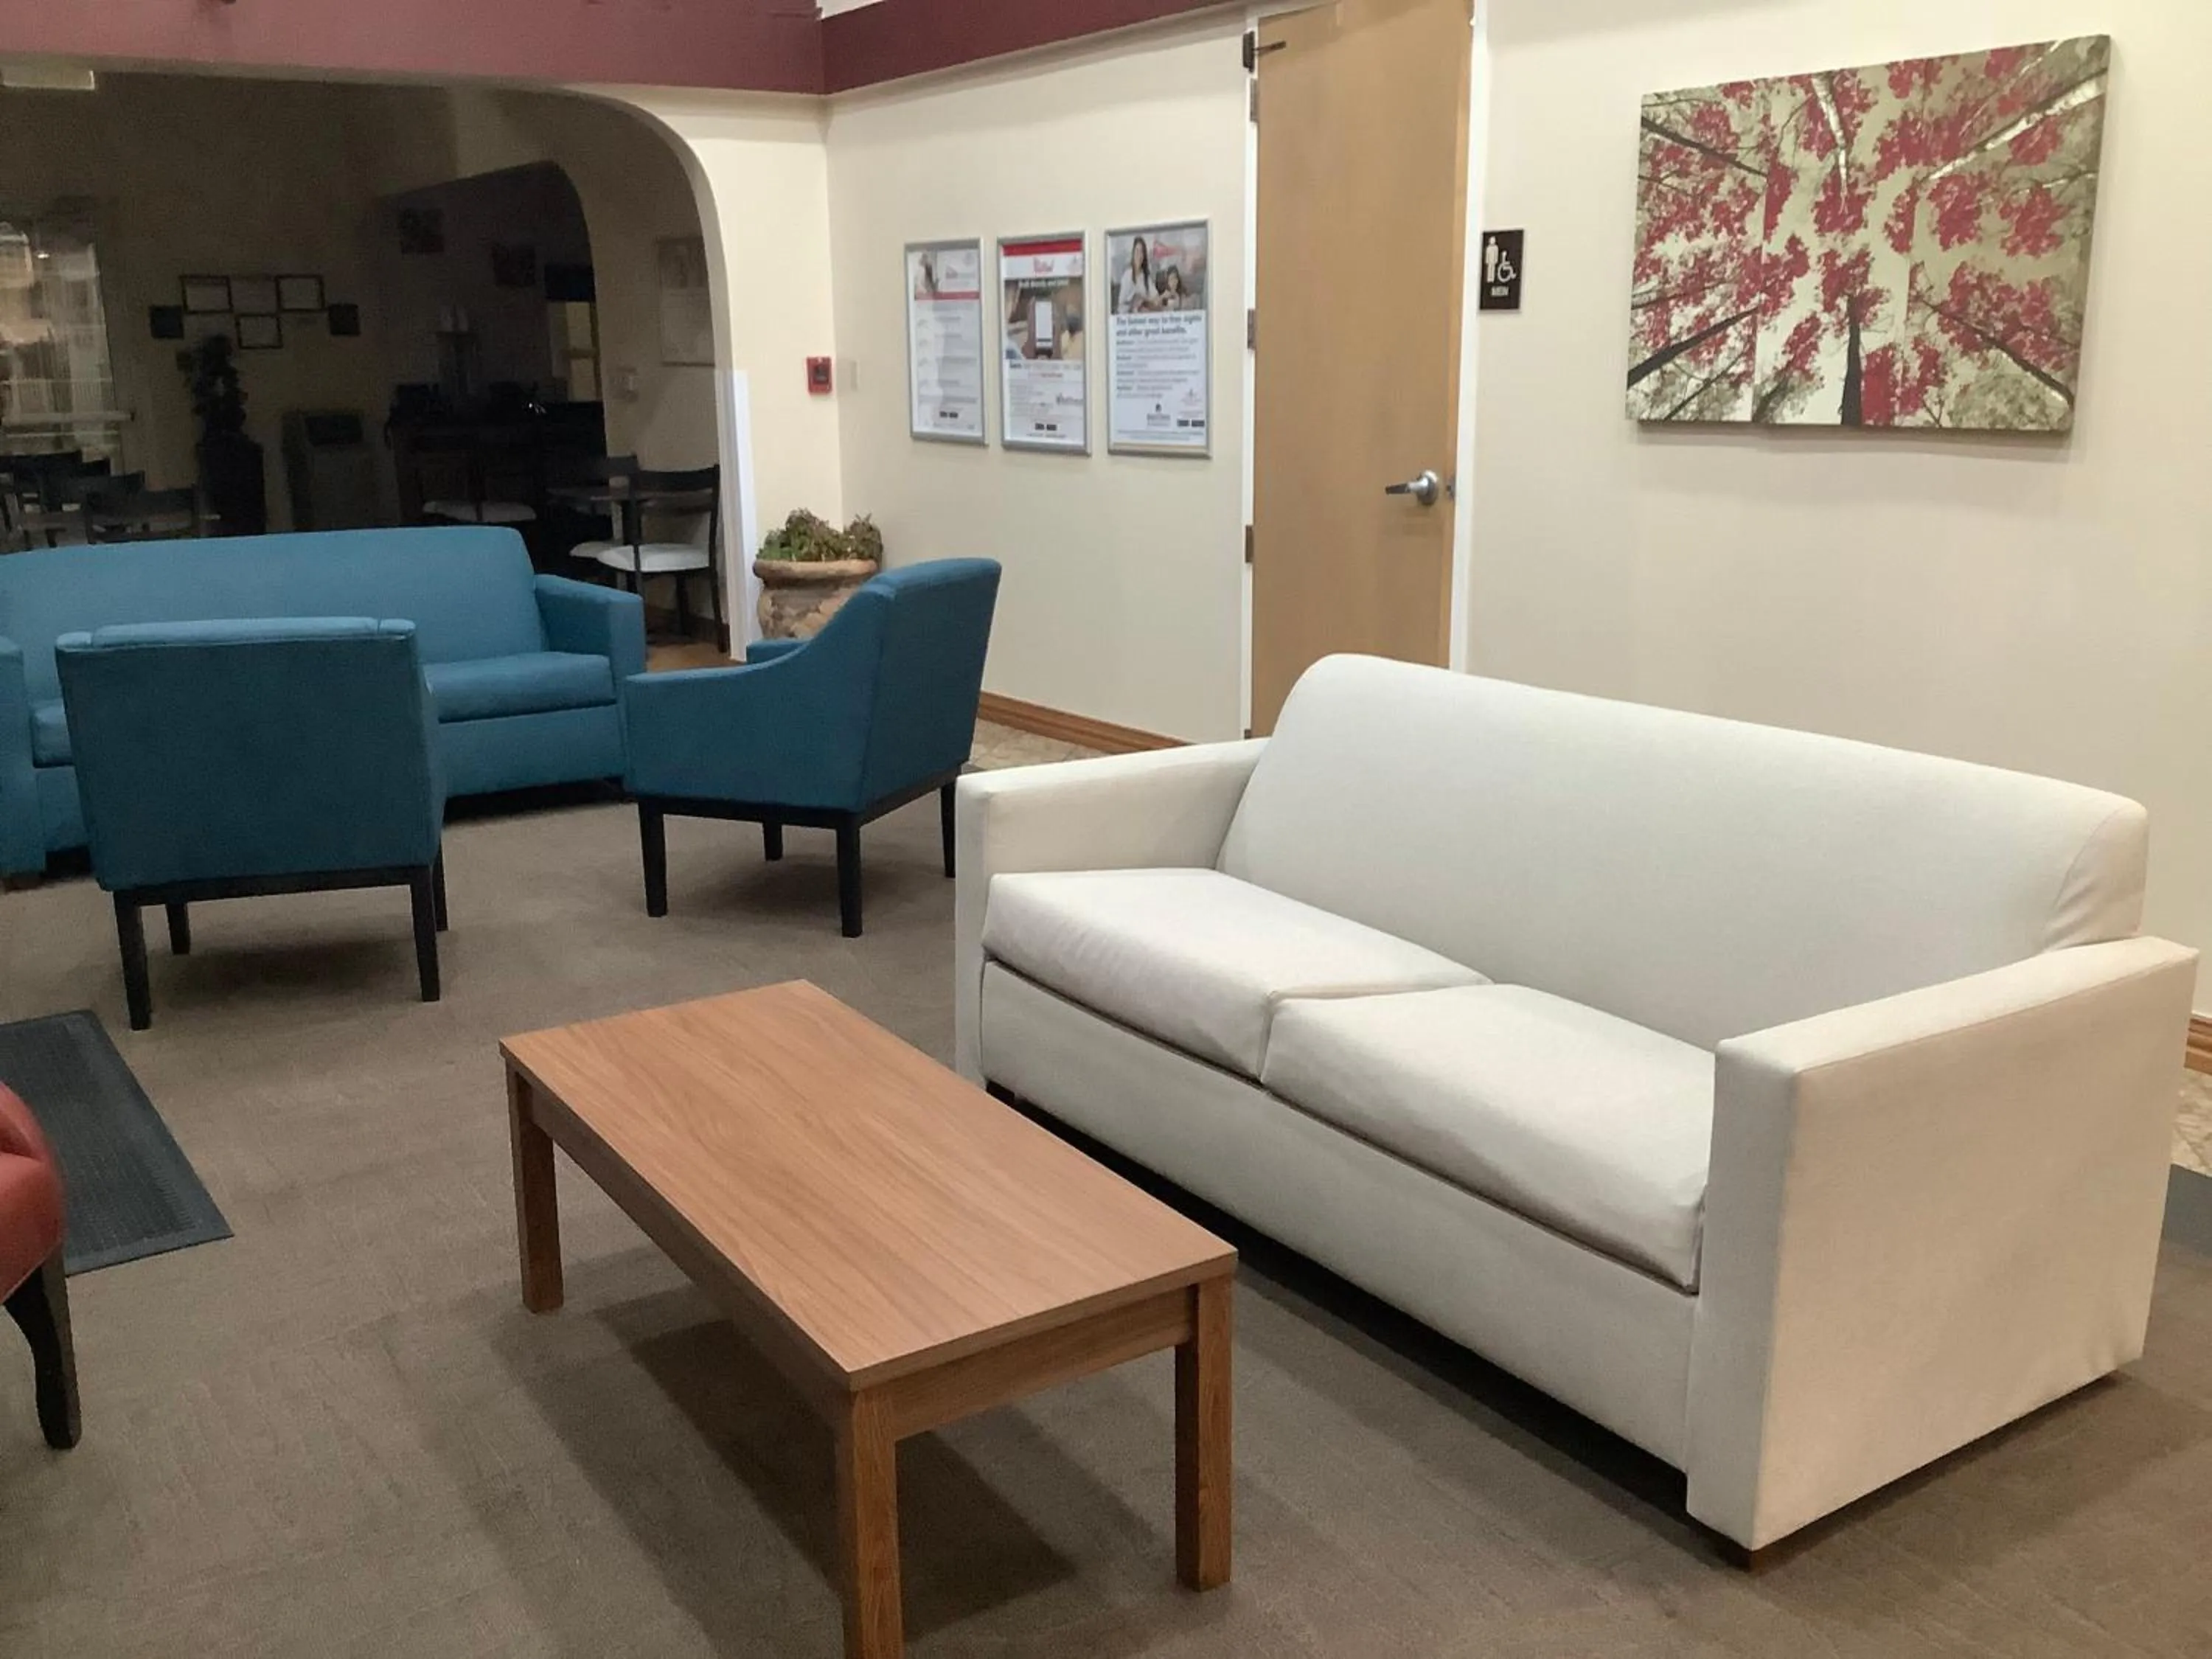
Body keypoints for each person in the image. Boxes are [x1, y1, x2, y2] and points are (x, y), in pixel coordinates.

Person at [1117, 237, 1159, 314]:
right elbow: (1121, 304)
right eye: (1137, 251)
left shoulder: (1146, 277)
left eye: (1142, 252)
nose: (1139, 255)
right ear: (1133, 254)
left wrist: (1145, 301)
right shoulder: (1127, 275)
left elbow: (1156, 298)